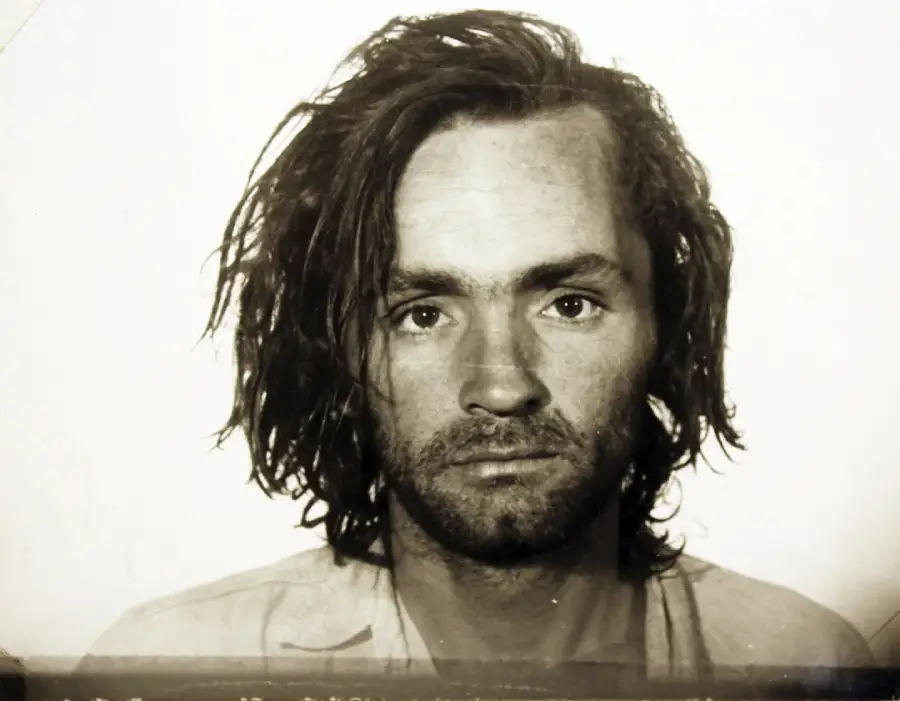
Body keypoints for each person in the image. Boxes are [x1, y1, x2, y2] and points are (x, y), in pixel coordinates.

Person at [75, 7, 874, 695]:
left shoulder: (807, 664)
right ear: (339, 346)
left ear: (667, 323)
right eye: (423, 313)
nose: (500, 384)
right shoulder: (168, 671)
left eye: (568, 303)